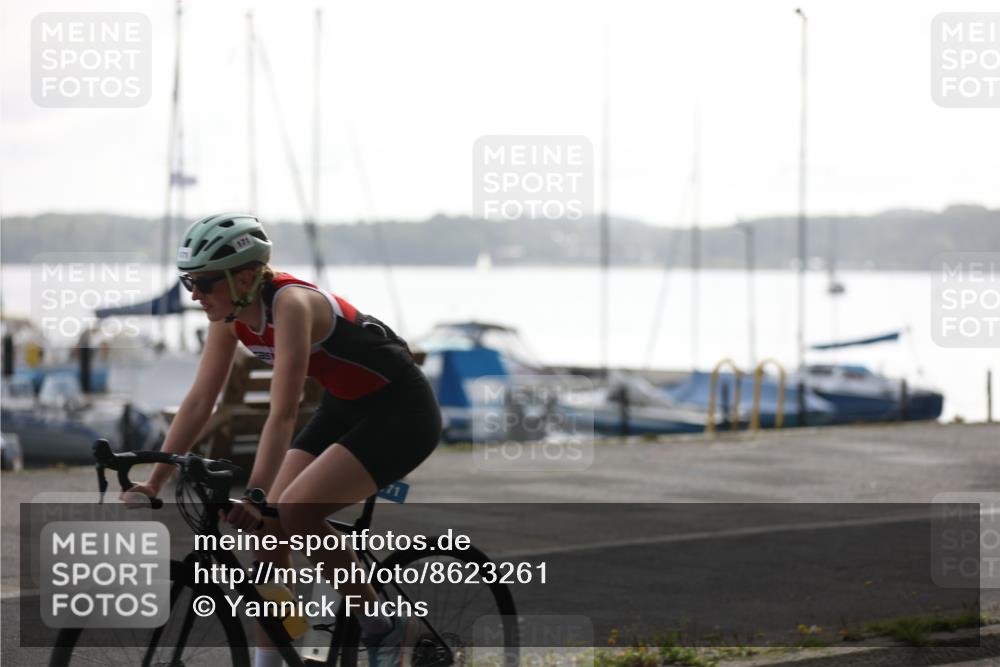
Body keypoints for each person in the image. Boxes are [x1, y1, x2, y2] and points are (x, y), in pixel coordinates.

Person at [123, 212, 441, 667]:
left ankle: (383, 627)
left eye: (205, 283)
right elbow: (198, 402)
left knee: (292, 510)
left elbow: (283, 413)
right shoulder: (229, 315)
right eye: (188, 282)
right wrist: (154, 480)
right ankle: (271, 661)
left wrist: (257, 494)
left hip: (402, 412)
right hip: (345, 407)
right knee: (267, 536)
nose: (195, 295)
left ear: (246, 276)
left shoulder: (291, 303)